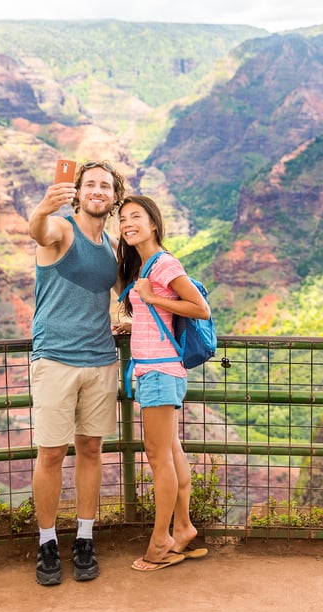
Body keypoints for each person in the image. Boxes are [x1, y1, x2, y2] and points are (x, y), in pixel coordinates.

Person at [28, 160, 128, 585]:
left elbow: (122, 294)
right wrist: (41, 210)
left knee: (91, 450)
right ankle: (47, 542)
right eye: (90, 184)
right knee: (51, 452)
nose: (98, 191)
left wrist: (122, 322)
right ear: (78, 192)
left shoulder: (110, 248)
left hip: (101, 359)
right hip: (55, 359)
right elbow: (39, 232)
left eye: (105, 186)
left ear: (114, 196)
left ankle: (84, 537)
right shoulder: (62, 229)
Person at [115, 195, 211, 571]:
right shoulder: (145, 264)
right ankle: (183, 528)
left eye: (135, 217)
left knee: (159, 458)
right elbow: (158, 315)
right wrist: (132, 322)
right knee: (171, 453)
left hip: (158, 373)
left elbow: (199, 308)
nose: (127, 224)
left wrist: (152, 296)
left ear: (153, 223)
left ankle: (161, 541)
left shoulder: (164, 264)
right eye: (123, 219)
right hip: (157, 368)